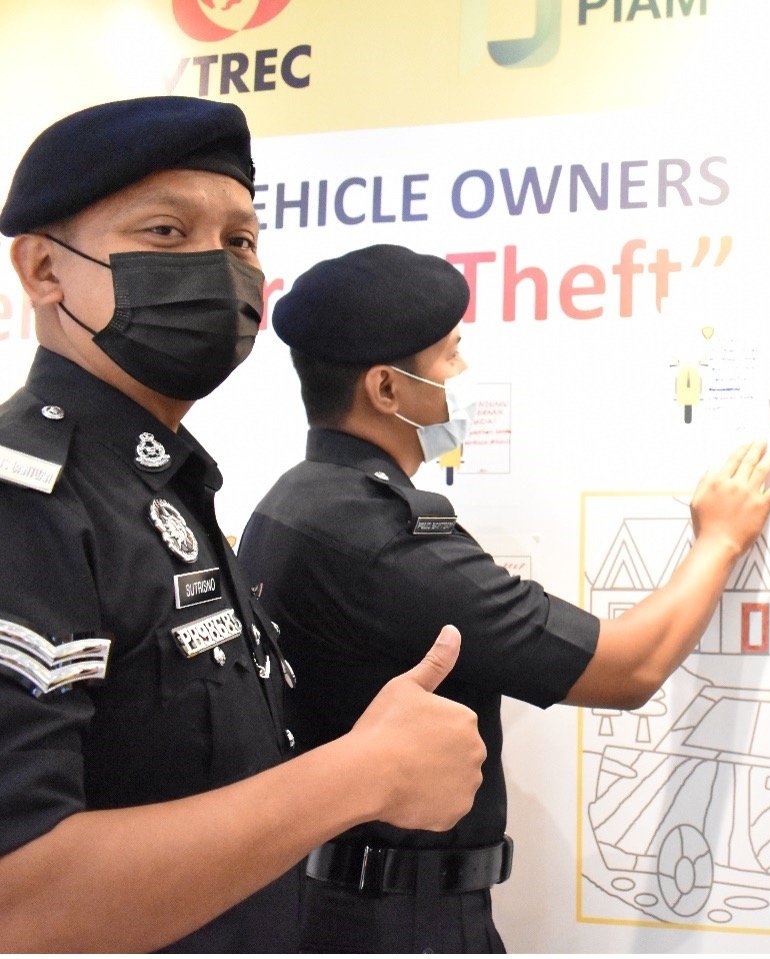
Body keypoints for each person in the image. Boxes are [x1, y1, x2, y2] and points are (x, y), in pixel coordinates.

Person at [0, 98, 487, 953]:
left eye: (240, 241)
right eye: (165, 232)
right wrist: (359, 774)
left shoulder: (161, 486)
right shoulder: (27, 501)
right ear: (44, 269)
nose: (219, 268)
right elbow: (19, 899)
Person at [236, 243, 770, 953]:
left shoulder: (291, 501)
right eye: (449, 356)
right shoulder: (379, 537)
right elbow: (628, 667)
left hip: (325, 902)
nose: (463, 375)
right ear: (387, 389)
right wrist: (720, 539)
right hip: (398, 923)